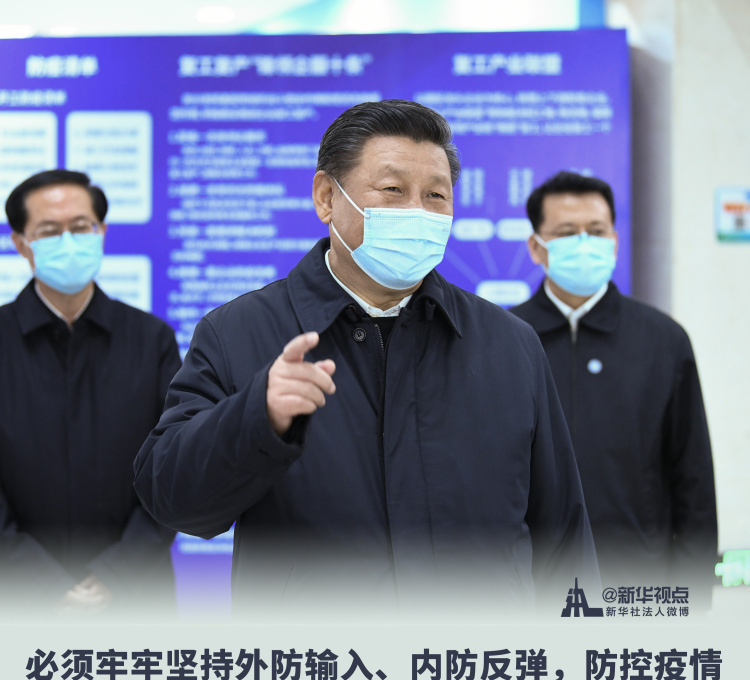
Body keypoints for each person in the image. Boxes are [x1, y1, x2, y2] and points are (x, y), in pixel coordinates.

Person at [134, 100, 598, 621]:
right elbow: (172, 500)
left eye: (436, 195)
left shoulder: (510, 344)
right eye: (393, 190)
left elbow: (564, 538)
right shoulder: (238, 333)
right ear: (327, 197)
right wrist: (255, 420)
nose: (418, 212)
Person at [512, 170, 717, 606]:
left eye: (596, 230)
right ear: (536, 246)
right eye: (567, 232)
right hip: (534, 590)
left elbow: (694, 482)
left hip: (639, 589)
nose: (584, 243)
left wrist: (692, 601)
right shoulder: (504, 339)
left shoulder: (663, 340)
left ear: (615, 241)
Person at [1, 169, 181, 616]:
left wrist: (114, 576)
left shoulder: (151, 339)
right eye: (49, 231)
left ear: (101, 231)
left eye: (81, 227)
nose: (68, 241)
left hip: (135, 598)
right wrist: (43, 583)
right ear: (21, 243)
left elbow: (174, 467)